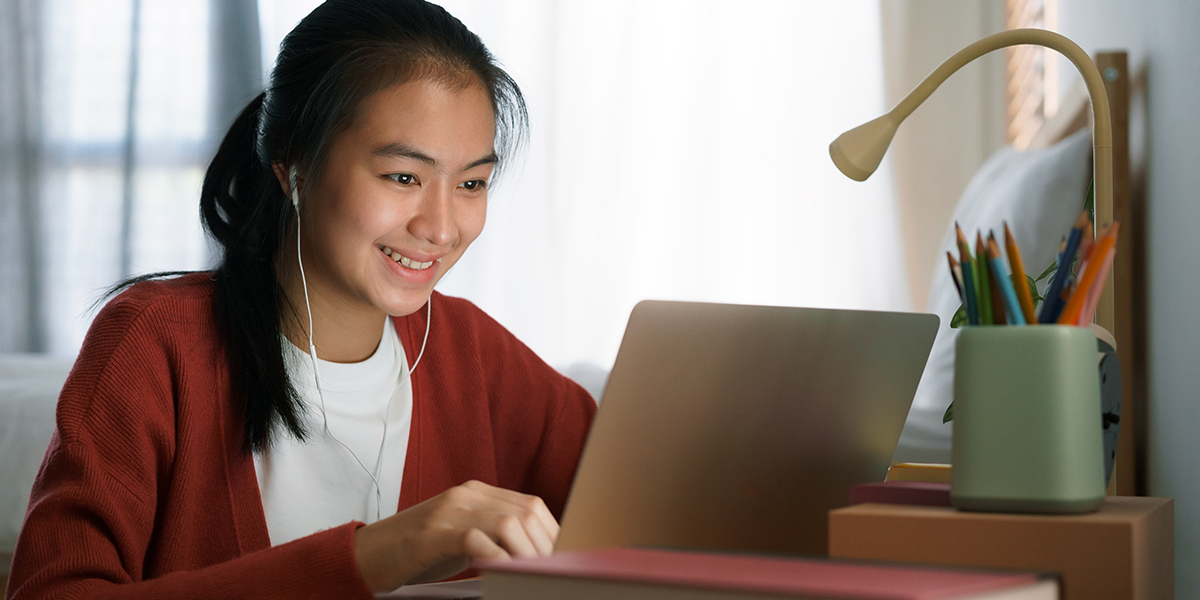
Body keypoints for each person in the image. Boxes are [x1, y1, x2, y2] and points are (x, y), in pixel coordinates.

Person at [5, 1, 596, 597]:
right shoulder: (156, 341)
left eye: (471, 184)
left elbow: (648, 495)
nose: (442, 229)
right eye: (403, 177)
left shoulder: (473, 350)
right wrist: (377, 555)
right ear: (294, 167)